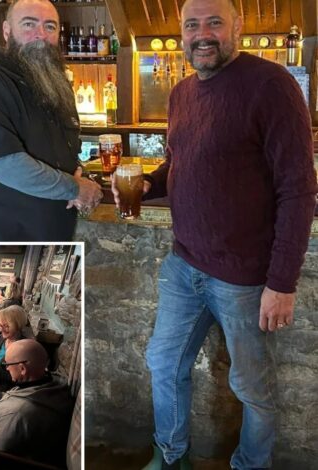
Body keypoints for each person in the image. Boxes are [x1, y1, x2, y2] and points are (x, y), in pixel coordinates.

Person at [107, 0, 316, 468]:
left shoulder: (271, 86)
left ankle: (250, 465)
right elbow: (182, 163)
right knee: (164, 363)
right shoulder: (182, 93)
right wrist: (150, 183)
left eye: (214, 22)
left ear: (237, 26)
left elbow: (299, 190)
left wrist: (282, 282)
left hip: (244, 277)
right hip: (184, 265)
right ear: (182, 33)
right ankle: (171, 455)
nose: (202, 34)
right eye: (192, 25)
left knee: (252, 387)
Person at [0, 0, 102, 241]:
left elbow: (62, 149)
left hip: (44, 232)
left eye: (50, 26)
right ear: (7, 31)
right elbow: (3, 163)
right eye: (29, 24)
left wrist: (82, 175)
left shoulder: (53, 80)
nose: (40, 34)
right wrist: (74, 188)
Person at [0, 339, 74, 467]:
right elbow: (19, 397)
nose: (7, 368)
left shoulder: (18, 414)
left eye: (7, 364)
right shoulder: (51, 382)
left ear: (22, 368)